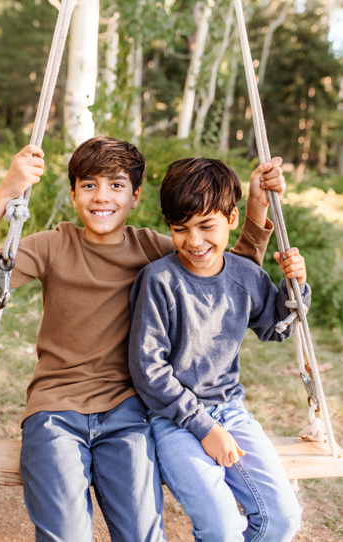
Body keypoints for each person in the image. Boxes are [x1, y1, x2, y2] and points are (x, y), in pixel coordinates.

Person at [0, 137, 284, 542]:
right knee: (67, 535)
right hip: (56, 412)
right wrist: (7, 191)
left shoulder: (154, 251)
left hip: (127, 414)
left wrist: (257, 208)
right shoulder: (52, 246)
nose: (102, 197)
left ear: (135, 196)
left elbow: (227, 274)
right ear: (73, 194)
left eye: (116, 185)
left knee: (143, 535)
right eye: (89, 185)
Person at [129, 156, 311, 542]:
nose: (194, 241)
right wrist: (204, 427)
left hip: (231, 411)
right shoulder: (159, 280)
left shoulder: (245, 275)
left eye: (206, 226)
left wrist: (294, 289)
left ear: (231, 219)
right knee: (223, 529)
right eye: (181, 229)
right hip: (172, 419)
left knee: (283, 520)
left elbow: (275, 329)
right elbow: (148, 369)